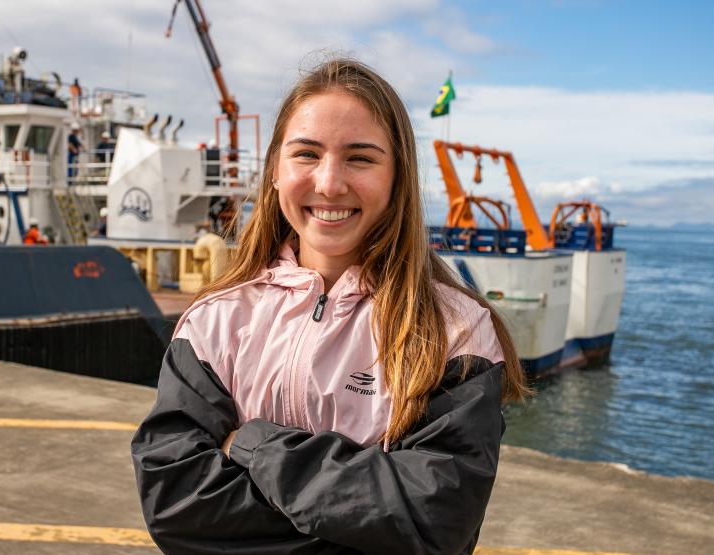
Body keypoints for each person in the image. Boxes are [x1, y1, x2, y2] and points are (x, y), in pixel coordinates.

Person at [131, 58, 529, 555]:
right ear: (275, 169)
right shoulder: (215, 320)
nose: (329, 183)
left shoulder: (454, 331)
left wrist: (254, 445)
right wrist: (363, 523)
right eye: (306, 154)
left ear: (396, 178)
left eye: (360, 158)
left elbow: (436, 519)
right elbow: (174, 503)